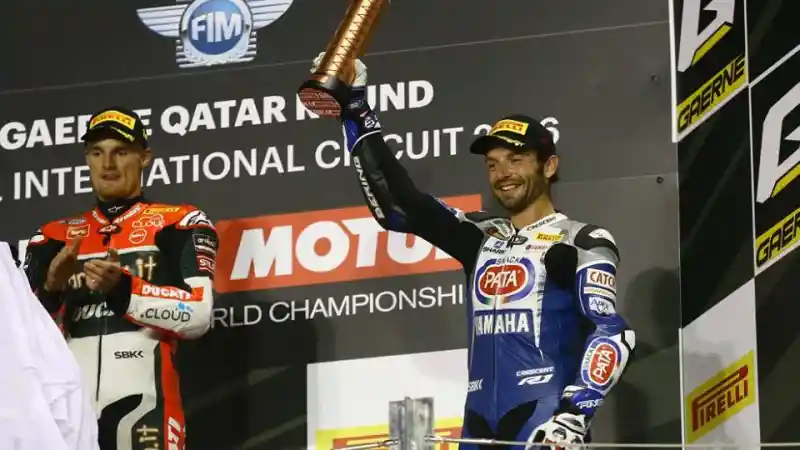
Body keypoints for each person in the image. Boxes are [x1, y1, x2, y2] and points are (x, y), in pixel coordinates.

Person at [311, 54, 637, 450]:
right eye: (493, 164)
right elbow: (398, 205)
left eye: (516, 160)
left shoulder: (581, 240)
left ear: (549, 166)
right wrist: (356, 110)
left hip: (546, 424)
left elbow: (612, 331)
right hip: (478, 423)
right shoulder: (480, 236)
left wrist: (574, 415)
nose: (503, 174)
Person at [23, 107, 217, 450]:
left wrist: (125, 289)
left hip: (146, 406)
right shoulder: (52, 237)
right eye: (97, 153)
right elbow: (20, 341)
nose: (108, 164)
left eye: (121, 152)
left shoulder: (178, 222)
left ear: (145, 158)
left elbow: (199, 315)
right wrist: (51, 289)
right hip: (66, 413)